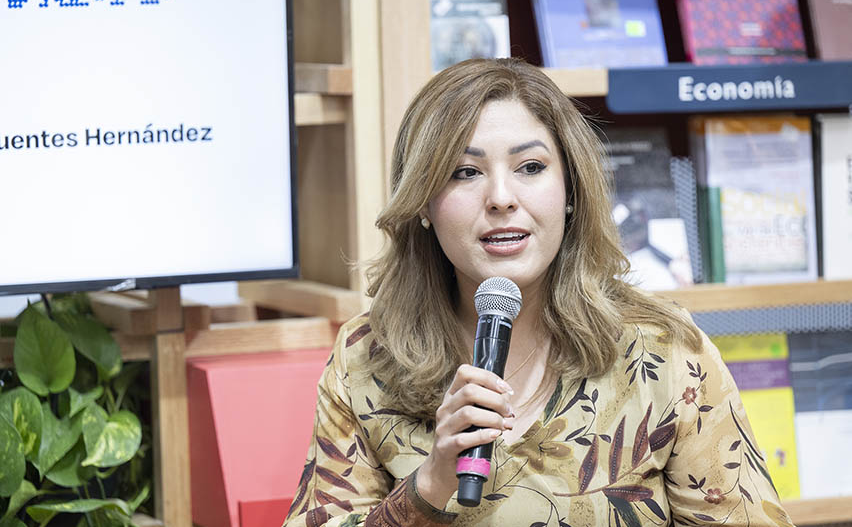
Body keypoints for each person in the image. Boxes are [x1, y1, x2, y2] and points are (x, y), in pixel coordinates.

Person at [282, 58, 794, 527]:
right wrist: (429, 484)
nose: (501, 198)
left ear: (570, 189)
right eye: (465, 172)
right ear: (422, 203)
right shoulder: (366, 358)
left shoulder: (664, 352)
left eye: (530, 167)